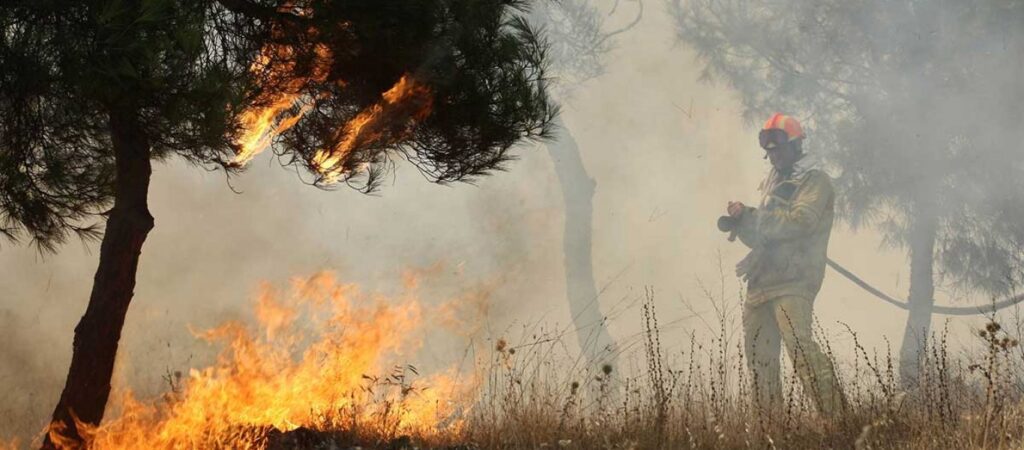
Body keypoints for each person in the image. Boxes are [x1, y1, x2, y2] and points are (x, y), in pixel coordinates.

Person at [725, 113, 847, 415]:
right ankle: (773, 435)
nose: (773, 155)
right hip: (760, 285)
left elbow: (800, 222)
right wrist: (743, 223)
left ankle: (842, 423)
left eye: (778, 148)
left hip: (794, 281)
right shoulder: (770, 182)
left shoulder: (814, 181)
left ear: (796, 145)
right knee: (760, 362)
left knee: (800, 349)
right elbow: (762, 237)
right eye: (769, 150)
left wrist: (755, 217)